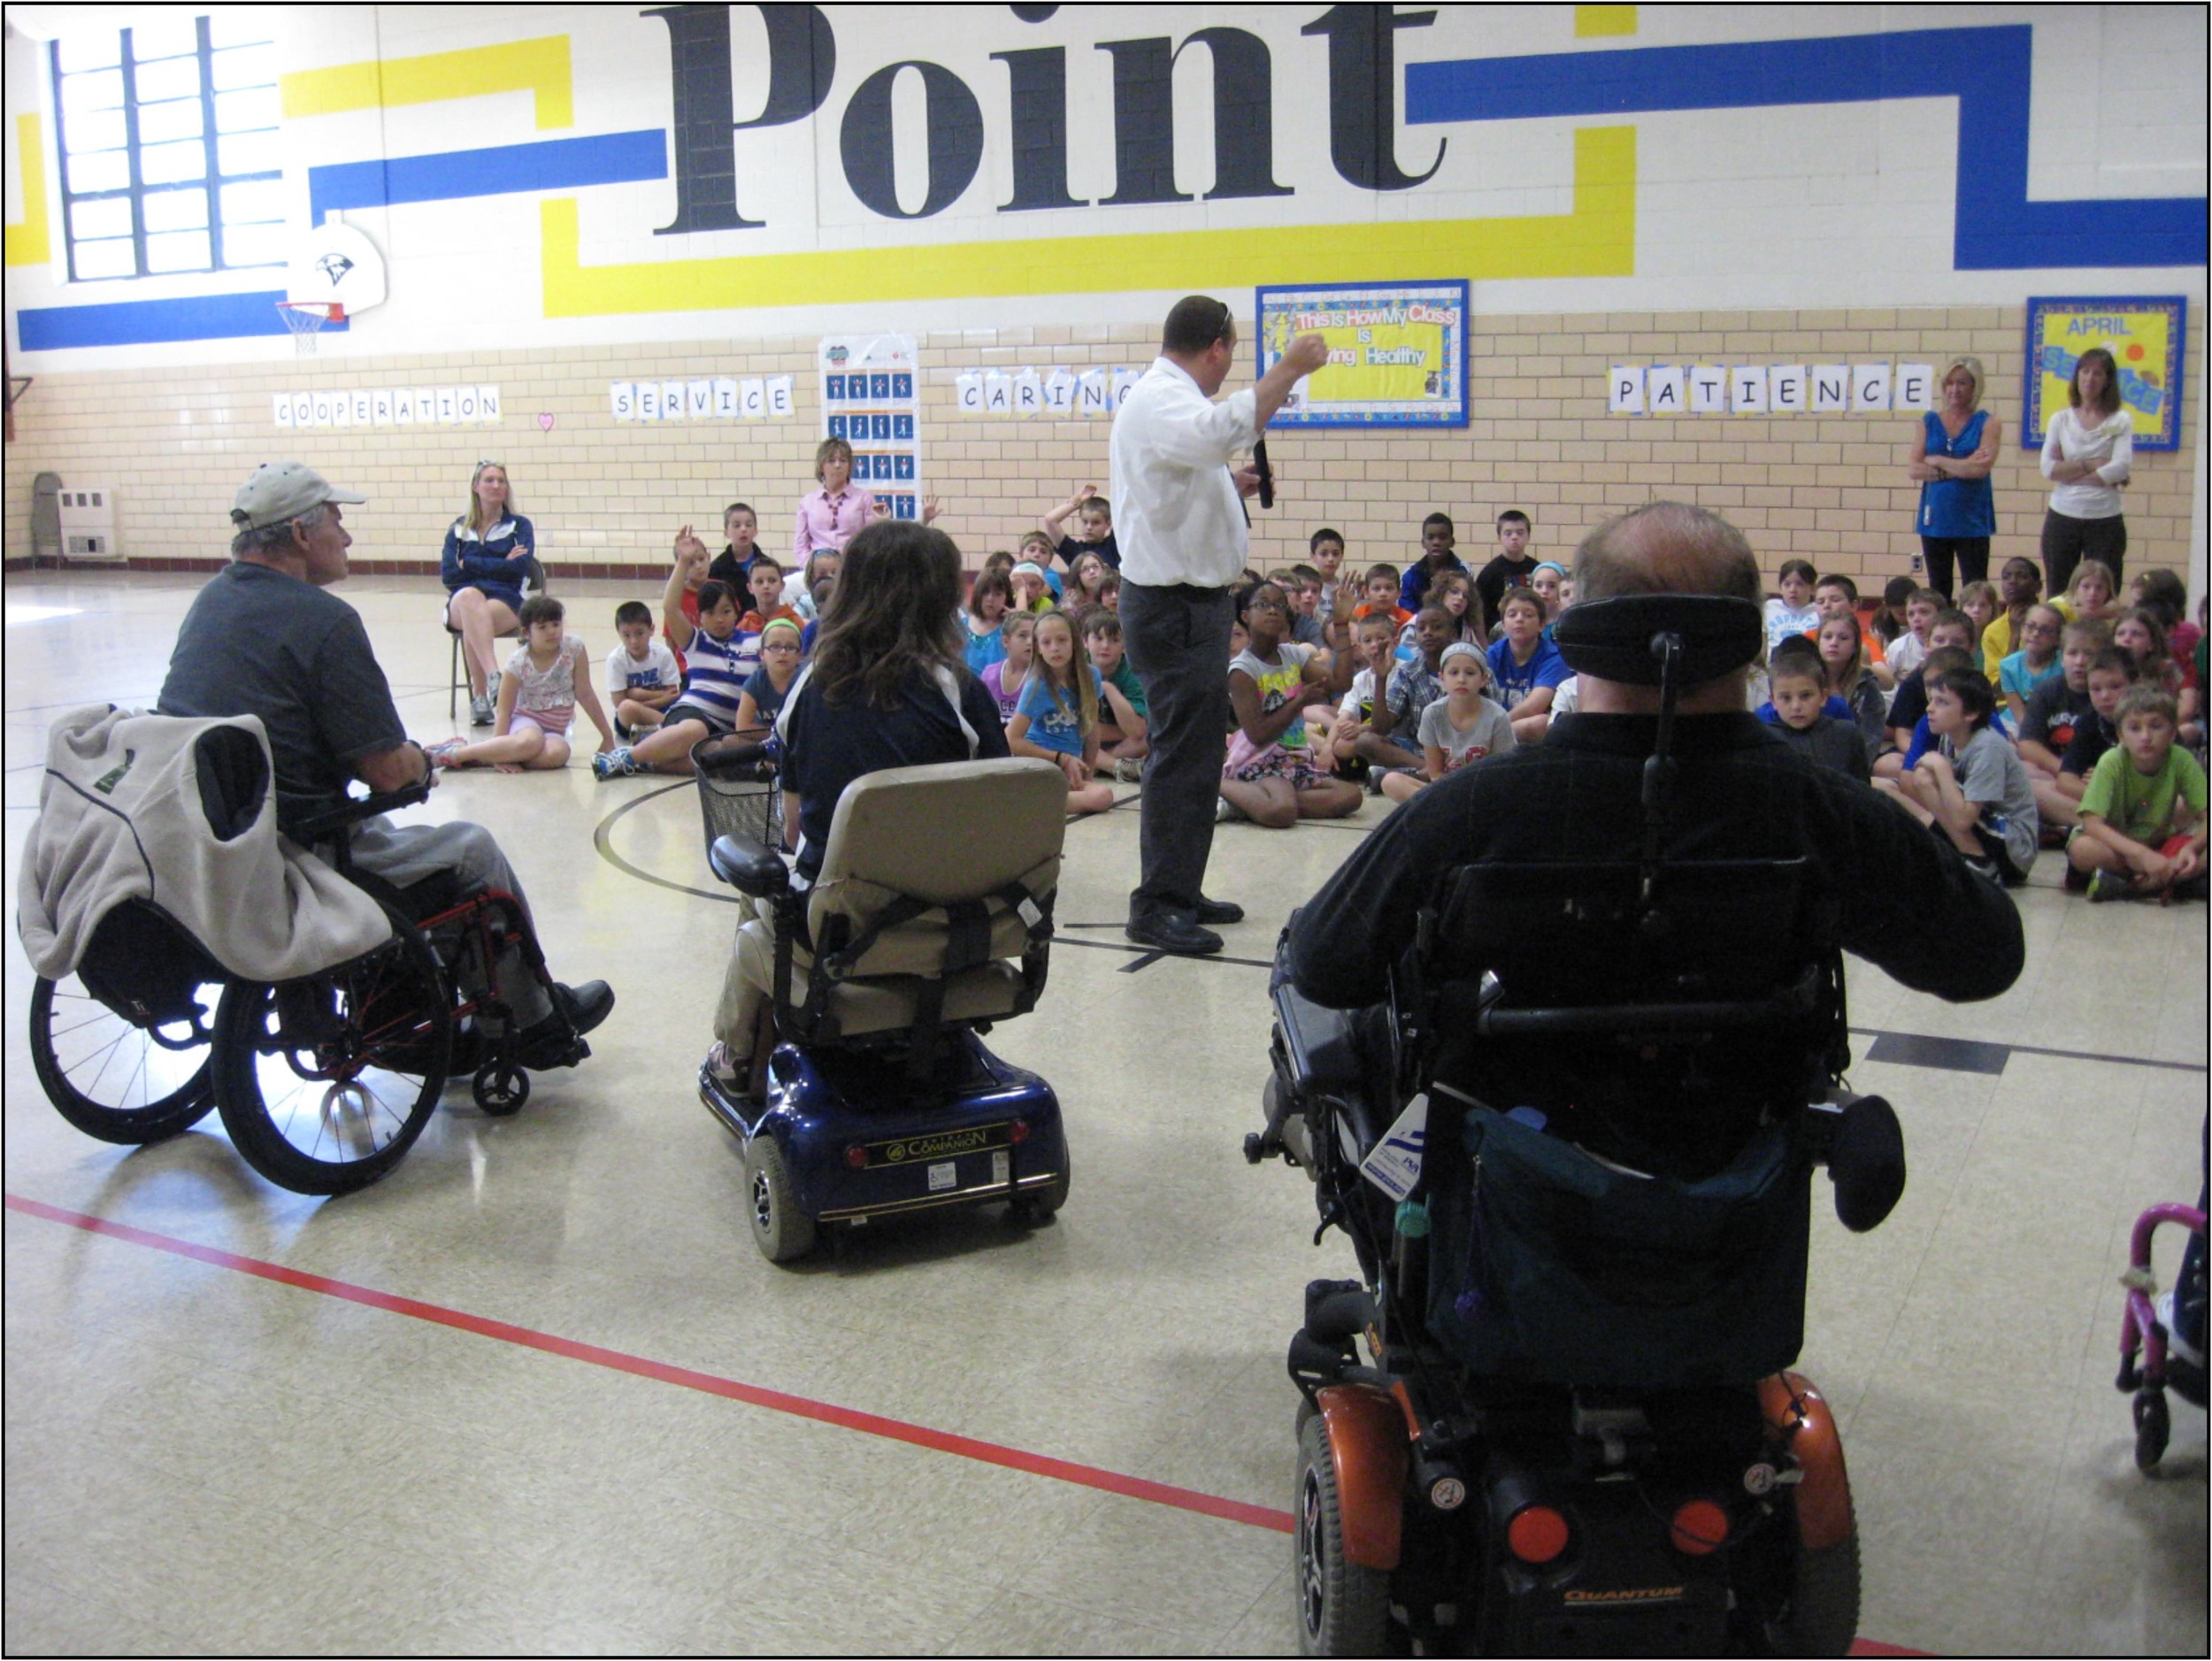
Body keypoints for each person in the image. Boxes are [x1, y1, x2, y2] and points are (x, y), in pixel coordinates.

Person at [1287, 501, 2024, 1021]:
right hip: (1742, 1178)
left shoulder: (1474, 808)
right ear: (1746, 643)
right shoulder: (1817, 808)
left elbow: (1321, 960)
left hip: (1526, 1179)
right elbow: (1986, 953)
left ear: (1585, 636)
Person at [159, 461, 611, 1065]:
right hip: (299, 844)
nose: (346, 535)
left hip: (210, 834)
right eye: (337, 520)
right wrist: (422, 765)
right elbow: (386, 771)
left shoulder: (208, 601)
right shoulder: (324, 621)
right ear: (299, 534)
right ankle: (534, 1018)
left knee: (395, 838)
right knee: (470, 850)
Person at [706, 519, 1009, 1089]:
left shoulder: (811, 688)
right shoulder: (964, 693)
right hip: (962, 916)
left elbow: (795, 830)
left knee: (758, 900)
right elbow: (1000, 817)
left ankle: (738, 1051)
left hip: (845, 924)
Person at [1110, 293, 1331, 955]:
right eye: (1230, 352)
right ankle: (1157, 905)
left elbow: (1190, 466)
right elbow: (1213, 432)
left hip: (1192, 605)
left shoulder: (1172, 401)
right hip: (1170, 606)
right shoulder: (1160, 399)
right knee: (1181, 756)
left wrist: (1224, 484)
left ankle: (1180, 886)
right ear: (1218, 348)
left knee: (1199, 753)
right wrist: (1287, 369)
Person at [595, 540, 747, 779]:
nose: (719, 619)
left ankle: (649, 760)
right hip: (694, 714)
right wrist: (683, 561)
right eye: (710, 613)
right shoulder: (697, 641)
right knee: (695, 731)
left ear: (736, 611)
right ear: (700, 617)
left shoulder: (754, 642)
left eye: (726, 611)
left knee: (721, 759)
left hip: (726, 727)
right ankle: (625, 757)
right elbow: (670, 607)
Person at [1217, 577, 1362, 827]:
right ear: (1245, 615)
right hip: (1259, 759)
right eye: (1262, 604)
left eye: (1280, 605)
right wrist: (1298, 701)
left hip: (1292, 758)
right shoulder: (1242, 669)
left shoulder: (1293, 655)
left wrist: (1340, 624)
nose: (1273, 610)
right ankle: (1216, 783)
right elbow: (1258, 735)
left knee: (1351, 796)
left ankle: (1249, 803)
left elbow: (1341, 683)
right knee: (1282, 813)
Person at [1878, 666, 2039, 887]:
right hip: (1987, 832)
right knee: (1917, 780)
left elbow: (1964, 819)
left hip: (2015, 847)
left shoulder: (1987, 747)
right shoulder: (1950, 736)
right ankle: (1964, 856)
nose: (1929, 708)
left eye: (1942, 702)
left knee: (1927, 777)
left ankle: (1980, 863)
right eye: (1932, 700)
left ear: (1970, 713)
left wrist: (1942, 768)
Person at [426, 595, 616, 773]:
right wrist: (501, 756)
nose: (552, 632)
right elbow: (503, 710)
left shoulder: (574, 648)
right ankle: (455, 753)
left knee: (558, 754)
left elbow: (585, 694)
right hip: (525, 723)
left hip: (554, 730)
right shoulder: (518, 663)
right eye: (542, 627)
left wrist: (607, 736)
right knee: (531, 741)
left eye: (556, 624)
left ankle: (486, 756)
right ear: (526, 632)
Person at [2065, 684, 2208, 902]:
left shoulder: (2181, 759)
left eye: (2156, 726)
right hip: (2117, 849)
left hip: (2160, 844)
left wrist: (2190, 848)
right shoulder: (2111, 762)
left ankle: (2133, 886)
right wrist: (2139, 855)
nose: (2145, 737)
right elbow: (2092, 824)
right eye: (2134, 728)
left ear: (2171, 734)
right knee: (2081, 849)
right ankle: (2170, 882)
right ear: (2120, 735)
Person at [442, 461, 539, 727]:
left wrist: (471, 564)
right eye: (489, 480)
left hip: (505, 600)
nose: (497, 486)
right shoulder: (458, 529)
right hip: (462, 601)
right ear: (475, 486)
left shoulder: (519, 526)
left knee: (474, 614)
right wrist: (499, 563)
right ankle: (495, 675)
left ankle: (480, 699)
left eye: (501, 481)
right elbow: (449, 576)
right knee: (470, 599)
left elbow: (517, 570)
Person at [1007, 608, 1120, 816]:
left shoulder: (1090, 676)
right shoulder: (1037, 685)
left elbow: (1092, 731)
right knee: (1098, 797)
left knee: (1103, 795)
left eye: (1062, 640)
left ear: (1074, 642)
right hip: (1040, 766)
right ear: (1038, 648)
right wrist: (1060, 758)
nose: (1055, 649)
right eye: (1046, 642)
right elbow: (1011, 739)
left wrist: (1088, 774)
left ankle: (1034, 801)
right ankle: (1027, 802)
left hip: (1068, 768)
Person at [2039, 346, 2132, 594]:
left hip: (2105, 518)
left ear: (2107, 381)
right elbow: (2048, 468)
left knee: (2103, 591)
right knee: (2059, 591)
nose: (2090, 378)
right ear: (2077, 376)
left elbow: (2121, 466)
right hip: (2063, 514)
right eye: (2085, 371)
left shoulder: (2120, 420)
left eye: (2098, 373)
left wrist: (2069, 471)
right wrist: (2093, 464)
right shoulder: (2060, 420)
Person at [1377, 641, 1517, 804]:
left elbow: (1502, 773)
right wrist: (1452, 795)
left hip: (1484, 793)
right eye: (1454, 673)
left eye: (1470, 673)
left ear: (1484, 679)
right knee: (1391, 781)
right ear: (1442, 677)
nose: (1461, 680)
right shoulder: (1432, 713)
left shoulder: (1497, 716)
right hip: (1446, 791)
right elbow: (1435, 773)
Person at [1908, 354, 1999, 599]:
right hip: (1936, 518)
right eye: (1950, 383)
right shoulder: (1929, 421)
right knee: (1939, 587)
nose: (1954, 389)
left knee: (1975, 587)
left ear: (1975, 386)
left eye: (1962, 383)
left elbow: (1979, 469)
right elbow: (1914, 469)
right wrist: (1963, 465)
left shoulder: (1988, 423)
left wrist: (1937, 461)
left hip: (1972, 519)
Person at [1765, 638, 1871, 782]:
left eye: (1806, 696)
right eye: (1786, 698)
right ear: (1773, 701)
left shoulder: (1847, 735)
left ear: (1823, 697)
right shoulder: (1765, 742)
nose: (1796, 706)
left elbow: (1862, 791)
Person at [1082, 608, 1149, 780]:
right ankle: (1117, 767)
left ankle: (1101, 764)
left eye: (1114, 640)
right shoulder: (1075, 669)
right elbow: (1075, 729)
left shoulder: (1133, 673)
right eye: (1098, 638)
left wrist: (1107, 687)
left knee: (1151, 737)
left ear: (1124, 646)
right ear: (1085, 641)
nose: (1105, 646)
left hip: (1123, 745)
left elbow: (1137, 731)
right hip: (1084, 740)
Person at [606, 600, 680, 740]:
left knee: (687, 702)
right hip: (630, 719)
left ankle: (652, 733)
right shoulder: (616, 659)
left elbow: (673, 694)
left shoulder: (663, 654)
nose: (634, 641)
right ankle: (671, 730)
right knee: (626, 708)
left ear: (651, 629)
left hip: (663, 710)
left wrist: (636, 694)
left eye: (639, 633)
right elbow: (619, 702)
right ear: (619, 633)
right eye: (626, 635)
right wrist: (658, 696)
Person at [1472, 510, 1537, 625]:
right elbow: (1481, 611)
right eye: (1508, 533)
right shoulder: (1489, 574)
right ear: (1499, 537)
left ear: (1528, 536)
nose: (1514, 537)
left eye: (1520, 532)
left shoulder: (1536, 569)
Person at [1400, 512, 1469, 612]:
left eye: (1442, 537)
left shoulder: (1463, 571)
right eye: (1430, 538)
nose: (1436, 542)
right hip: (1419, 625)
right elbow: (1406, 611)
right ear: (1423, 542)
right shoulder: (1410, 574)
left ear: (1452, 542)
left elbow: (1470, 608)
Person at [1043, 484, 1120, 571]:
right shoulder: (1074, 551)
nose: (1089, 527)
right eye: (1085, 522)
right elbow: (1050, 519)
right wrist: (1077, 501)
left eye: (1096, 523)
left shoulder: (1113, 545)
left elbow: (1125, 513)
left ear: (1108, 523)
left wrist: (1105, 500)